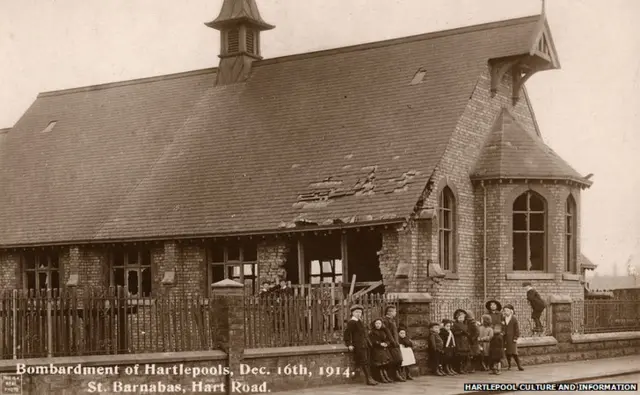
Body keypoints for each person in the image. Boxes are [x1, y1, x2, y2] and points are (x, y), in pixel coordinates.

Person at [343, 304, 378, 386]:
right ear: (352, 313)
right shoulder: (352, 322)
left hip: (364, 344)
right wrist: (349, 344)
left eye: (360, 312)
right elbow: (347, 334)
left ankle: (368, 377)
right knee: (364, 361)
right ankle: (369, 379)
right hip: (358, 345)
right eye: (357, 312)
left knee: (367, 361)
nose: (359, 314)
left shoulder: (359, 321)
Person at [382, 305, 405, 381]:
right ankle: (395, 375)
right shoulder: (386, 320)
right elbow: (388, 332)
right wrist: (393, 342)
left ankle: (397, 374)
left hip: (395, 342)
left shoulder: (392, 320)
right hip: (391, 343)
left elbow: (395, 332)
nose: (395, 313)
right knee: (396, 359)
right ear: (389, 312)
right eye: (394, 311)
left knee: (399, 359)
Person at [369, 318, 394, 384]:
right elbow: (372, 341)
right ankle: (381, 377)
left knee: (385, 363)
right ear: (374, 324)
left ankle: (386, 376)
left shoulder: (384, 331)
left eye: (379, 323)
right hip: (376, 349)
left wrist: (387, 343)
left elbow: (388, 339)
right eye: (376, 323)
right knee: (379, 364)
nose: (378, 325)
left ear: (382, 324)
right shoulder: (372, 332)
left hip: (384, 349)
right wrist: (380, 344)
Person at [502, 304, 524, 371]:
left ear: (511, 311)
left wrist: (515, 337)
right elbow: (502, 327)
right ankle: (509, 365)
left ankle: (519, 365)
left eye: (507, 310)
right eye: (504, 311)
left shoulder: (514, 319)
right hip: (505, 338)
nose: (506, 312)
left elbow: (517, 329)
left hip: (512, 339)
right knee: (507, 352)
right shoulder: (503, 318)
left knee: (514, 352)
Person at [452, 309, 471, 374]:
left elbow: (468, 331)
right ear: (457, 318)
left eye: (462, 317)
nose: (461, 319)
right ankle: (458, 368)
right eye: (460, 317)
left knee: (464, 356)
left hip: (465, 341)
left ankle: (463, 368)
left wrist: (467, 334)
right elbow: (453, 332)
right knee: (459, 355)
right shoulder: (455, 324)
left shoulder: (465, 324)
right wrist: (460, 332)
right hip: (459, 341)